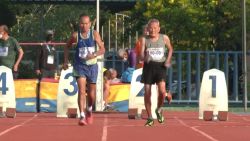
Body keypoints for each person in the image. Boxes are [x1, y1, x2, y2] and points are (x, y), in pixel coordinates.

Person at [63, 14, 105, 126]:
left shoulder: (94, 34)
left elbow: (102, 49)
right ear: (79, 24)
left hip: (92, 66)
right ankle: (82, 115)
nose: (84, 26)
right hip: (79, 66)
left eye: (86, 23)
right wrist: (66, 61)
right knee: (82, 91)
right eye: (82, 23)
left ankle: (89, 109)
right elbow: (66, 46)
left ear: (90, 24)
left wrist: (94, 54)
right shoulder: (75, 35)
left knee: (91, 94)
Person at [140, 19, 173, 126]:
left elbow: (171, 49)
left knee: (162, 91)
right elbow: (140, 56)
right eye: (151, 28)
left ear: (159, 29)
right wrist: (145, 57)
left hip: (160, 66)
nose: (153, 30)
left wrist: (168, 60)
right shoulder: (144, 39)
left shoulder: (164, 38)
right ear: (148, 28)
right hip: (149, 67)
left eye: (155, 28)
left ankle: (158, 110)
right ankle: (150, 117)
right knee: (147, 92)